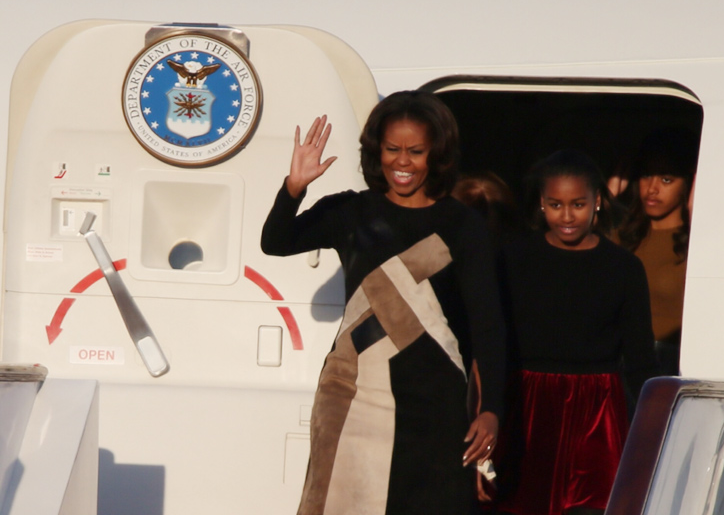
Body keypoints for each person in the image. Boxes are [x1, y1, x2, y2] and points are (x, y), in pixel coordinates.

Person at [261, 91, 506, 515]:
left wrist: (491, 410)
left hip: (435, 405)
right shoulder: (351, 212)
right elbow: (276, 242)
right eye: (393, 150)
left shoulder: (462, 225)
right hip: (351, 396)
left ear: (438, 154)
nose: (403, 162)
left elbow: (488, 325)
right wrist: (294, 187)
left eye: (416, 151)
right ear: (377, 151)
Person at [491, 149, 659, 515]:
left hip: (597, 412)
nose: (566, 216)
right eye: (555, 204)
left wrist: (655, 423)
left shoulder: (624, 268)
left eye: (578, 204)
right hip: (528, 408)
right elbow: (492, 342)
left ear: (597, 201)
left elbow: (641, 358)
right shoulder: (513, 258)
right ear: (541, 203)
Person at [616, 128, 699, 376]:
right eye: (646, 175)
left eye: (666, 180)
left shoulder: (694, 243)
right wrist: (605, 196)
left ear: (689, 183)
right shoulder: (622, 235)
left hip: (670, 366)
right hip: (618, 360)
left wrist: (698, 217)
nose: (652, 189)